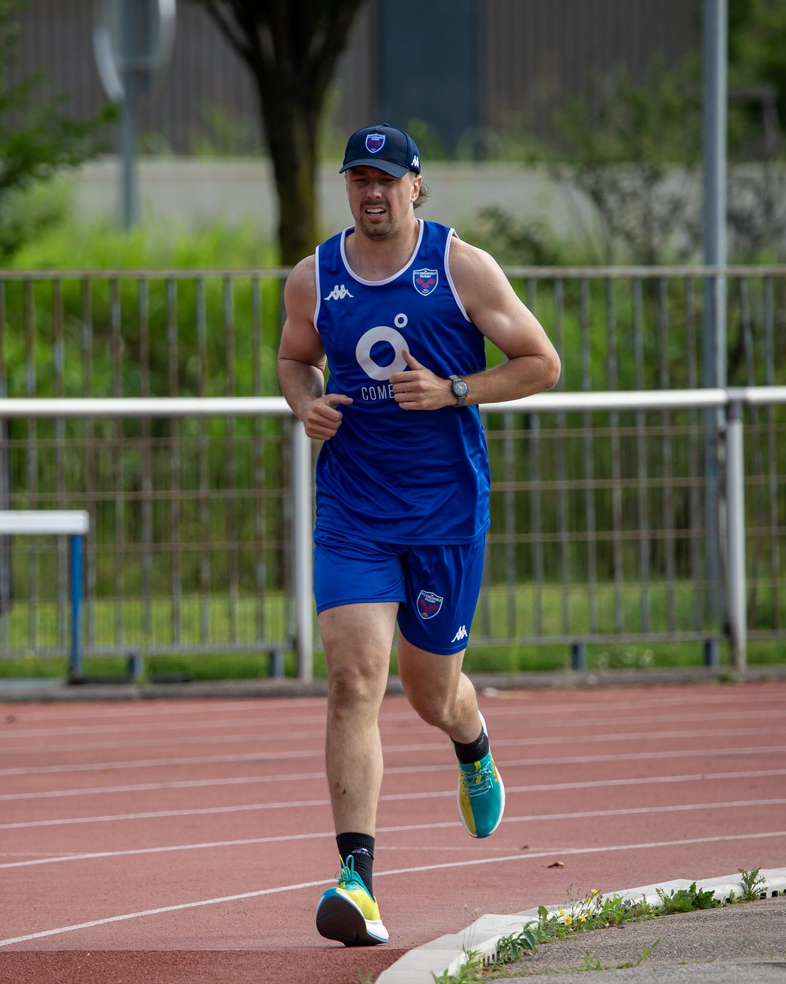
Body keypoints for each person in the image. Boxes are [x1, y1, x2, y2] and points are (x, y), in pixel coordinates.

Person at [277, 124, 561, 947]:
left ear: (416, 186)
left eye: (386, 179)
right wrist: (306, 403)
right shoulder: (314, 277)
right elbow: (295, 360)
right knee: (351, 682)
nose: (372, 192)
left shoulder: (460, 267)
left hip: (443, 515)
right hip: (354, 513)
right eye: (358, 178)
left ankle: (472, 743)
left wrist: (455, 389)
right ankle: (355, 879)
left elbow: (541, 363)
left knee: (429, 693)